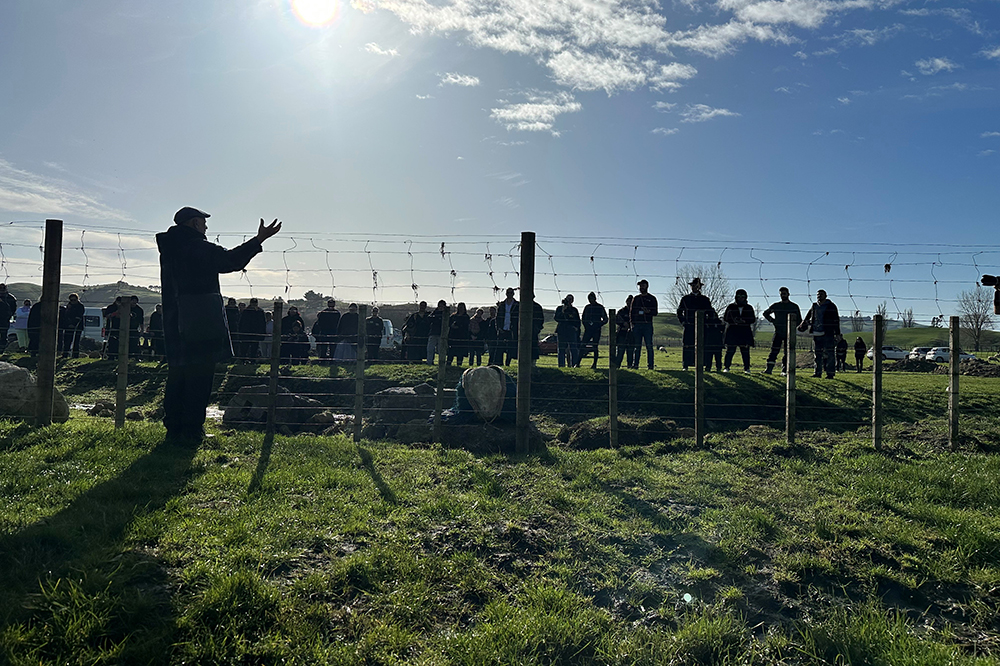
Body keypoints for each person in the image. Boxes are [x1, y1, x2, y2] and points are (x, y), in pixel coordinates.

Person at [157, 206, 281, 443]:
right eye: (203, 222)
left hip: (175, 319)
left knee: (177, 376)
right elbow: (230, 260)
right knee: (199, 378)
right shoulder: (196, 246)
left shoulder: (170, 247)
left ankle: (174, 430)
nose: (206, 227)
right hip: (199, 319)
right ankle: (192, 432)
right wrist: (258, 240)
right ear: (194, 223)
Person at [798, 289, 841, 379]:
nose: (819, 296)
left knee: (830, 354)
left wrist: (837, 333)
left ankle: (830, 373)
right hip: (816, 333)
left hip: (828, 333)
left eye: (821, 294)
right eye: (818, 295)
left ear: (826, 295)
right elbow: (808, 316)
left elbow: (836, 320)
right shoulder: (814, 306)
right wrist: (804, 323)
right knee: (817, 354)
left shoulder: (831, 306)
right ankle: (817, 372)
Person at [761, 287, 802, 375]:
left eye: (784, 293)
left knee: (788, 352)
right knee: (774, 350)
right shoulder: (776, 306)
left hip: (789, 332)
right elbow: (765, 313)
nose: (783, 295)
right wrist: (773, 321)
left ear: (788, 294)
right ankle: (769, 369)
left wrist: (793, 326)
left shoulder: (794, 306)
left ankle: (785, 370)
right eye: (781, 294)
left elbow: (799, 319)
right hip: (778, 331)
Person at [676, 277, 712, 370]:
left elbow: (710, 312)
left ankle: (702, 365)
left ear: (700, 287)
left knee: (702, 345)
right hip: (689, 325)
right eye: (692, 285)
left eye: (696, 285)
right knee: (687, 345)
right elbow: (680, 312)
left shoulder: (705, 299)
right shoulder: (685, 299)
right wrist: (683, 322)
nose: (694, 287)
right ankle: (685, 365)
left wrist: (707, 322)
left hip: (702, 326)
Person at [722, 289, 755, 373]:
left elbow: (753, 319)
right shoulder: (731, 307)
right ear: (736, 297)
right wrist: (734, 321)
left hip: (744, 332)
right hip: (732, 331)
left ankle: (747, 368)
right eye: (739, 296)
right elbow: (726, 318)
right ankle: (726, 367)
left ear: (745, 297)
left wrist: (744, 321)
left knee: (745, 351)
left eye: (742, 296)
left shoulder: (749, 307)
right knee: (730, 350)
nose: (741, 298)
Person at [630, 280, 658, 370]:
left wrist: (649, 311)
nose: (641, 287)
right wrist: (632, 324)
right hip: (637, 325)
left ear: (647, 286)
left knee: (649, 346)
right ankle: (635, 365)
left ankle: (650, 365)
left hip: (647, 325)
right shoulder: (636, 299)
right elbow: (632, 312)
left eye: (643, 285)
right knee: (637, 346)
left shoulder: (652, 298)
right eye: (640, 286)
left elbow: (655, 312)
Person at [579, 292, 609, 369]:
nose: (590, 300)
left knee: (595, 346)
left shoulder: (600, 307)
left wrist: (598, 324)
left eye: (591, 298)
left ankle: (594, 364)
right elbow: (583, 318)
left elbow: (605, 319)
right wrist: (586, 325)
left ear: (595, 298)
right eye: (589, 299)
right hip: (588, 329)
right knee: (583, 345)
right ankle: (578, 362)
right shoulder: (587, 307)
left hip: (596, 329)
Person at [493, 288, 519, 366]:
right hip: (502, 328)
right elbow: (497, 318)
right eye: (508, 293)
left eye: (511, 293)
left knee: (511, 348)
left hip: (512, 329)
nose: (509, 294)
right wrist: (498, 328)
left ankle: (508, 363)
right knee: (500, 347)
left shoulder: (517, 304)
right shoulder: (502, 305)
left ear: (513, 294)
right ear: (506, 294)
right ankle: (499, 364)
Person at [554, 294, 581, 368]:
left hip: (571, 330)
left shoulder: (574, 310)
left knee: (573, 348)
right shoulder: (560, 308)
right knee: (561, 349)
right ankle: (561, 366)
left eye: (570, 299)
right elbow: (556, 318)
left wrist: (577, 329)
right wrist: (562, 311)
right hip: (562, 330)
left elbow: (578, 321)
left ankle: (575, 365)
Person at [237, 298, 267, 362]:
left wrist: (262, 333)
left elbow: (262, 323)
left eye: (255, 303)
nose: (254, 305)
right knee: (244, 348)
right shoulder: (246, 311)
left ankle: (252, 360)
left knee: (254, 348)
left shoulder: (260, 311)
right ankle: (243, 360)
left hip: (255, 333)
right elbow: (241, 322)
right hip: (246, 333)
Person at [60, 293, 86, 359]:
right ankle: (65, 354)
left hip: (77, 326)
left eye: (74, 300)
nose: (73, 301)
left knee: (76, 341)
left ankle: (75, 355)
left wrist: (73, 324)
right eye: (71, 300)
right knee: (67, 340)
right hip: (68, 326)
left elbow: (79, 316)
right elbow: (66, 316)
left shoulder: (80, 306)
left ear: (77, 299)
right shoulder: (68, 306)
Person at [612, 295, 634, 369]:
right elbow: (616, 320)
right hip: (622, 333)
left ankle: (630, 366)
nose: (629, 303)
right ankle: (617, 366)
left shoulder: (635, 312)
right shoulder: (621, 311)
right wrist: (623, 324)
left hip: (631, 334)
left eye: (631, 301)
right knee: (620, 351)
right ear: (626, 302)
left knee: (630, 351)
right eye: (628, 301)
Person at [426, 300, 448, 365]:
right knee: (430, 349)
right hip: (433, 333)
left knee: (441, 349)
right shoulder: (434, 312)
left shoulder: (445, 314)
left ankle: (441, 362)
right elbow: (429, 319)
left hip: (442, 334)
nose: (440, 307)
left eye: (442, 306)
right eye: (439, 306)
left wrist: (436, 319)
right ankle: (429, 362)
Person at [0, 286, 13, 353]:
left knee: (3, 335)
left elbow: (13, 309)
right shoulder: (11, 298)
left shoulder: (10, 298)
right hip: (5, 319)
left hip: (4, 320)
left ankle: (1, 349)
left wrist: (9, 316)